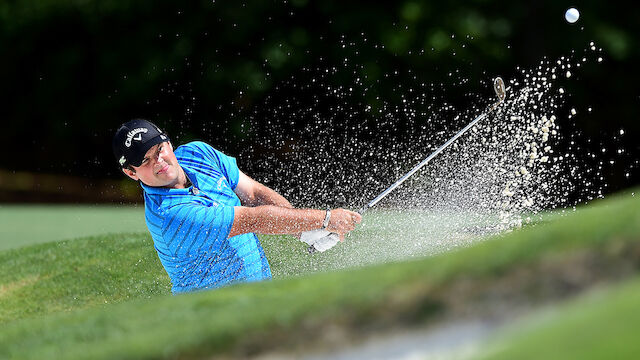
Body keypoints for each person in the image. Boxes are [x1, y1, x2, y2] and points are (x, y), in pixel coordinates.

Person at [112, 119, 361, 294]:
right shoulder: (169, 216)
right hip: (214, 320)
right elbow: (253, 220)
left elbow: (253, 193)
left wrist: (301, 229)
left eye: (159, 149)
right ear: (131, 173)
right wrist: (325, 219)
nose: (160, 161)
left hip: (259, 300)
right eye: (145, 160)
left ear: (168, 141)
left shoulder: (198, 154)